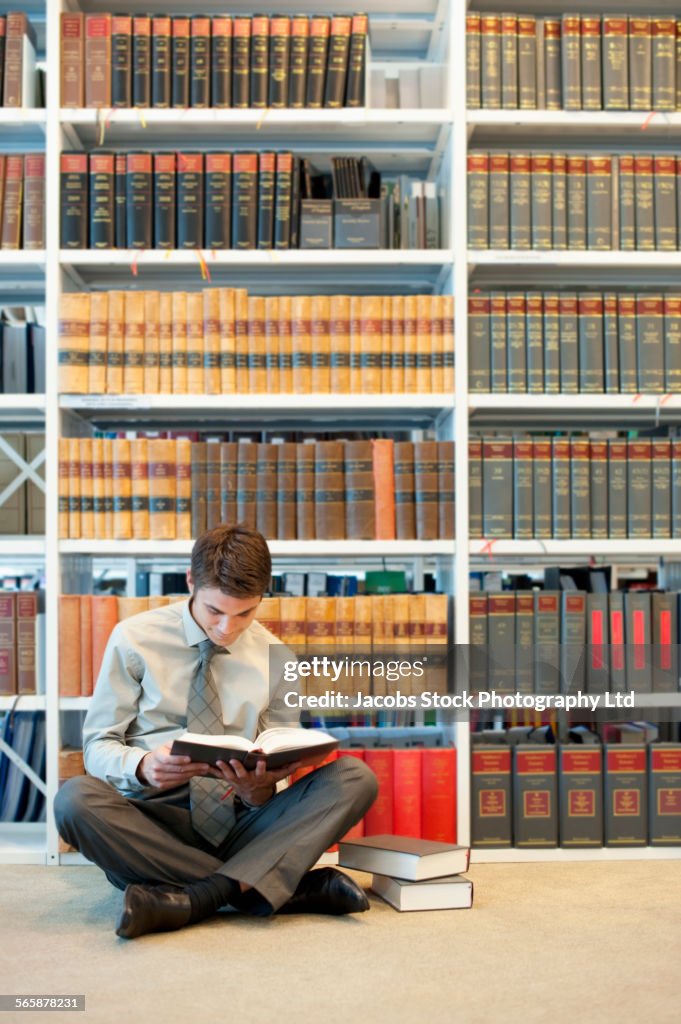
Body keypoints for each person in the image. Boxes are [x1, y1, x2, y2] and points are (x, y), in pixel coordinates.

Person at [55, 524, 378, 939]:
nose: (227, 627)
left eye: (244, 613)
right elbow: (98, 745)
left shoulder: (278, 656)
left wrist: (258, 790)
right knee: (74, 801)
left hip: (242, 821)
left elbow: (278, 750)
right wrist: (143, 766)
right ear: (191, 581)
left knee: (354, 778)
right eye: (214, 610)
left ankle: (194, 897)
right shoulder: (134, 639)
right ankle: (269, 889)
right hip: (153, 826)